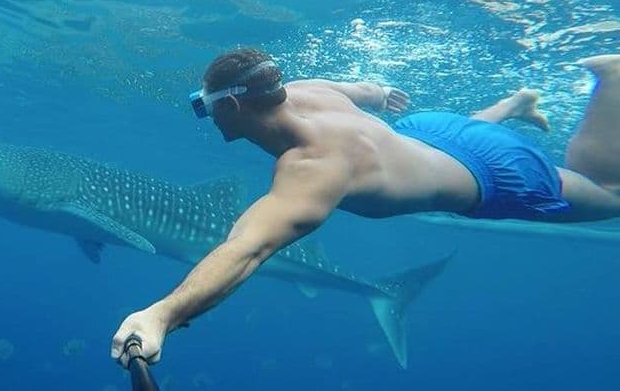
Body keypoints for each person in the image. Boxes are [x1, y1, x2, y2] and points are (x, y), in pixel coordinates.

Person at [111, 49, 620, 367]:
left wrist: (162, 314)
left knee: (608, 191)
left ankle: (610, 77)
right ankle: (514, 106)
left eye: (204, 106)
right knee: (432, 155)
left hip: (495, 176)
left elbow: (247, 249)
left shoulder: (314, 168)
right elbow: (367, 92)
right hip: (432, 132)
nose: (208, 116)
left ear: (232, 106)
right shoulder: (305, 91)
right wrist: (379, 94)